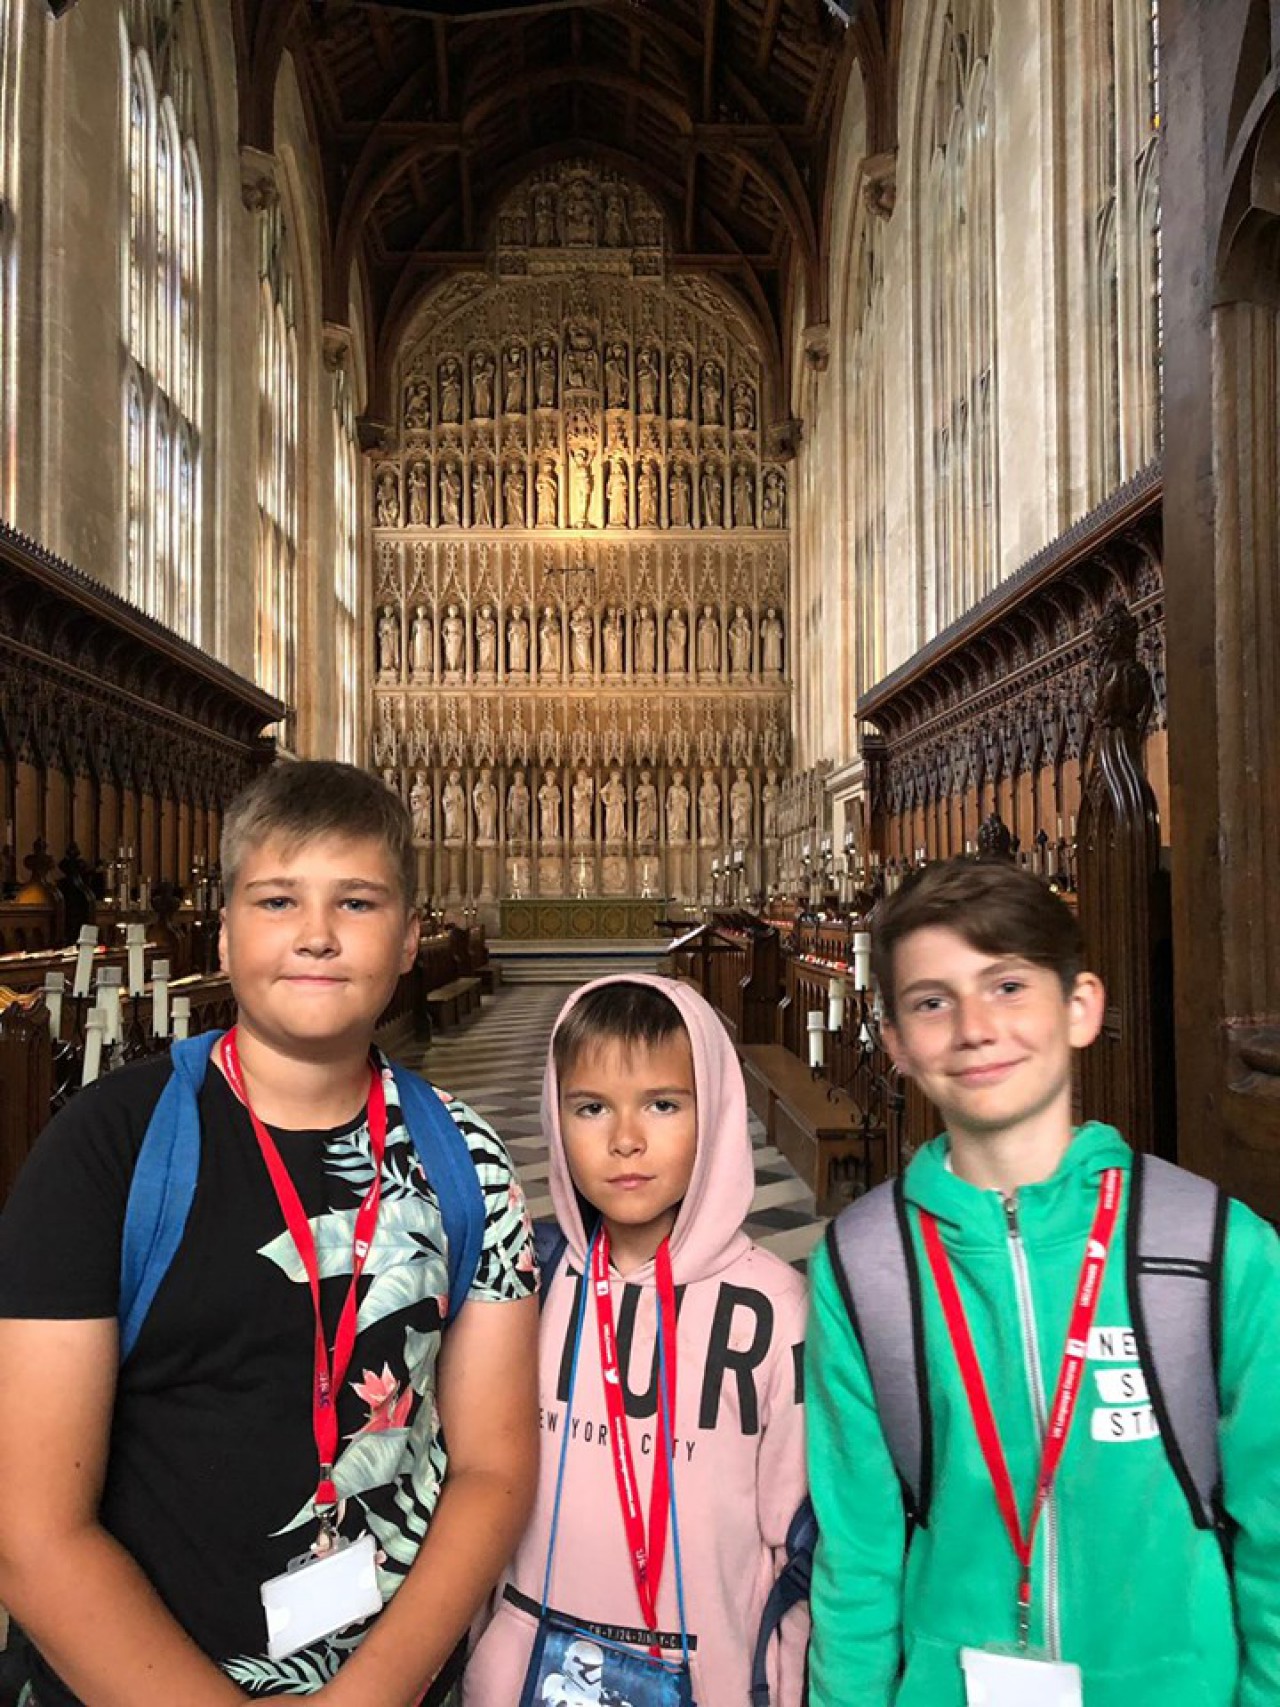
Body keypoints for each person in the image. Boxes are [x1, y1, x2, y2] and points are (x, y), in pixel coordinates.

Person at [0, 760, 539, 1705]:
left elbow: (494, 1467)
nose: (317, 934)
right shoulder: (108, 1147)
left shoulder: (467, 1159)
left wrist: (370, 1694)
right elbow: (32, 1531)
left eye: (357, 902)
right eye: (279, 899)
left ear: (411, 937)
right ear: (225, 932)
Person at [806, 858, 1280, 1706]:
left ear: (1081, 1006)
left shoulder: (1212, 1247)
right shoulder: (865, 1263)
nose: (975, 1027)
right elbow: (859, 1556)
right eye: (932, 1001)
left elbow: (1274, 1533)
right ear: (896, 1042)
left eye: (1009, 985)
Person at [464, 976, 809, 1707]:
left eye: (662, 1104)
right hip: (523, 1675)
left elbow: (796, 1541)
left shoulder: (779, 1309)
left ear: (715, 1111)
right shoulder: (524, 1285)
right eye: (592, 1107)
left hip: (707, 1678)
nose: (626, 1139)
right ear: (555, 1116)